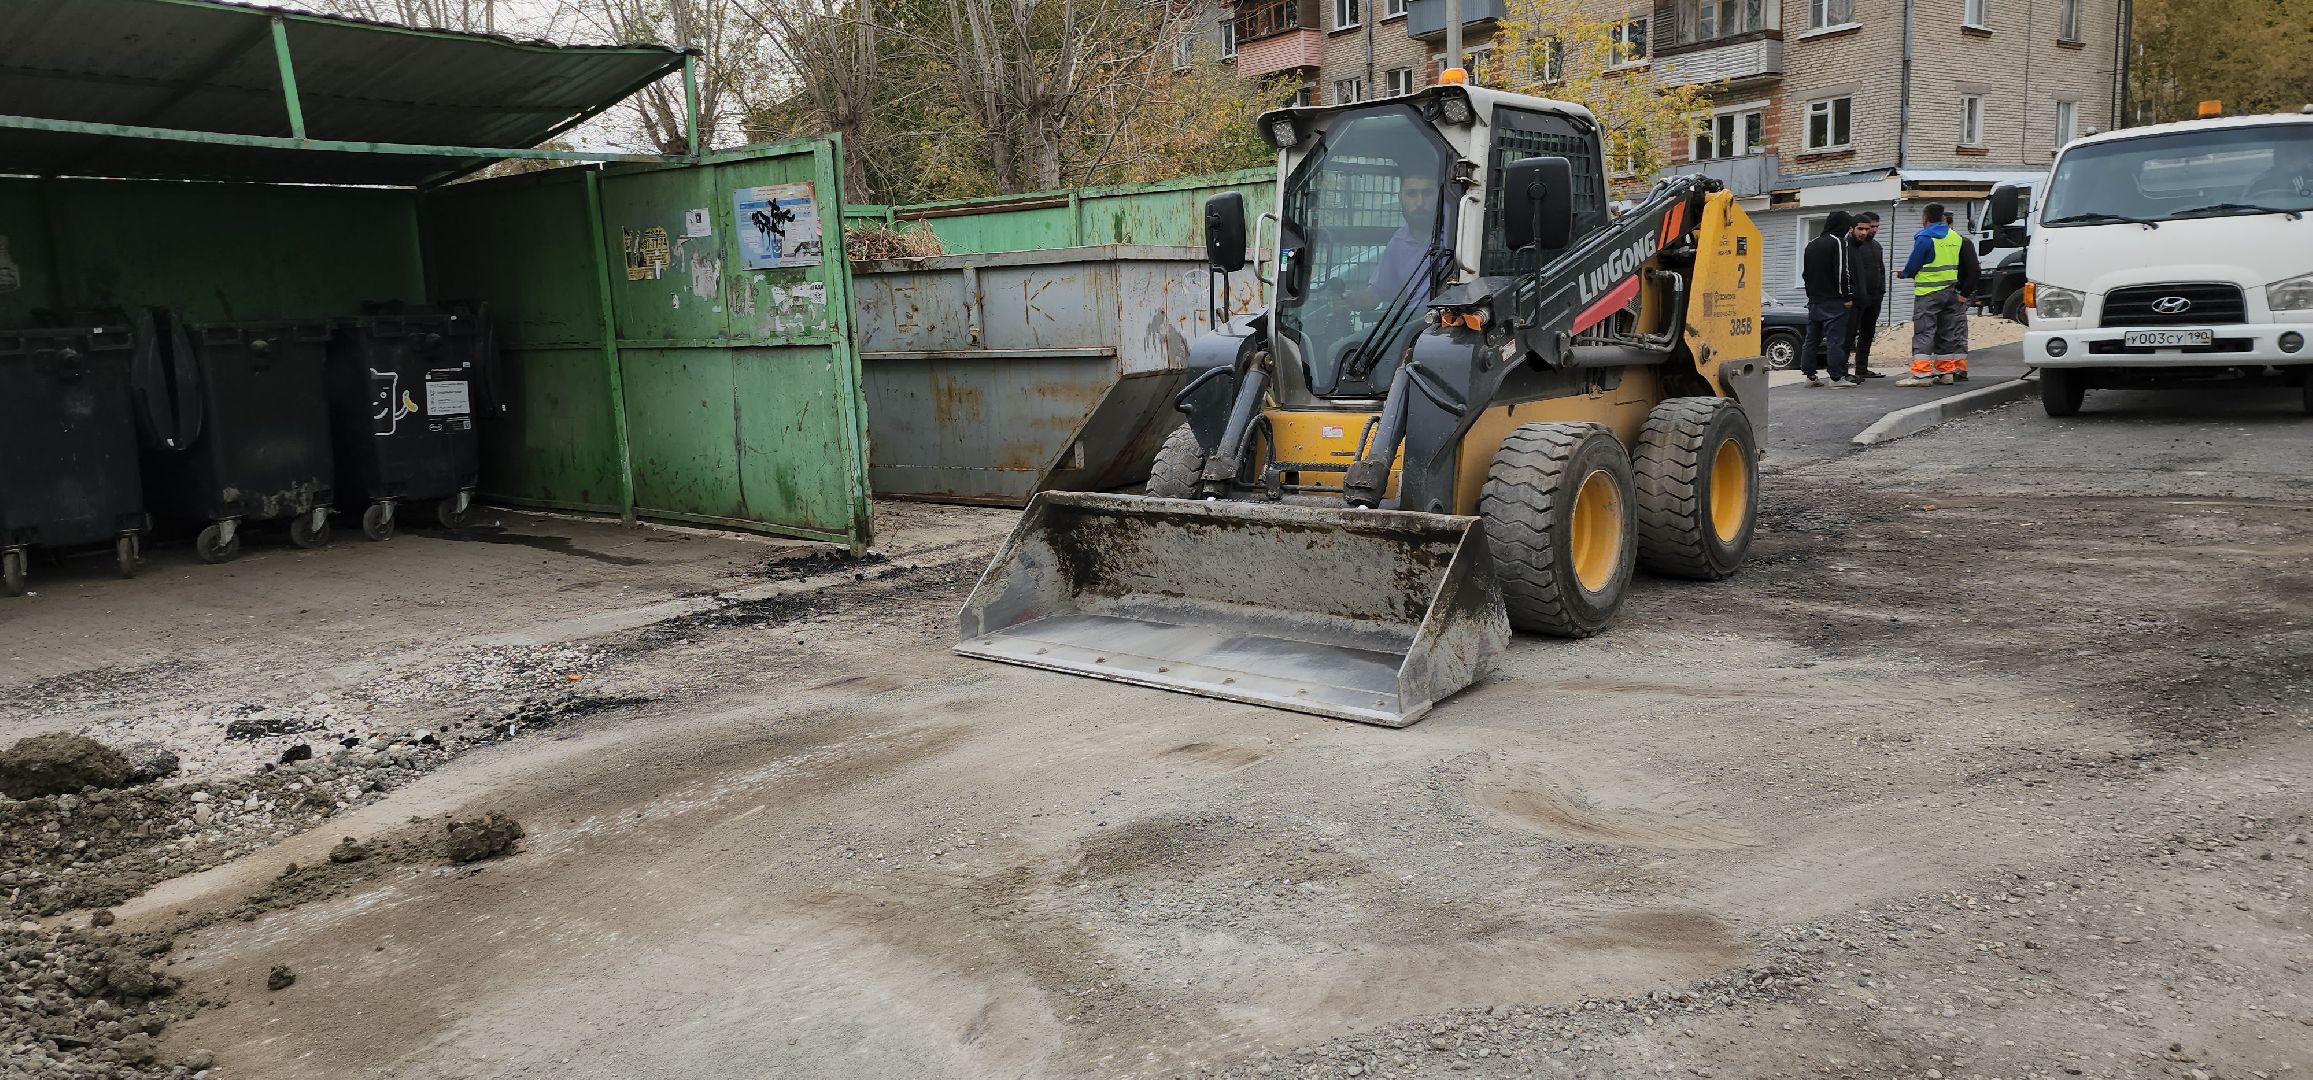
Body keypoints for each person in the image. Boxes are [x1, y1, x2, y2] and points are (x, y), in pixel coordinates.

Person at [1896, 203, 1980, 385]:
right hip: (1950, 291)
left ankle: (1922, 374)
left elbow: (1913, 265)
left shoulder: (1925, 237)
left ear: (1924, 218)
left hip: (1928, 292)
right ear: (1943, 217)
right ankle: (1946, 372)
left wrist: (1904, 273)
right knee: (1947, 332)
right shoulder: (1955, 238)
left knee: (1924, 332)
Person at [1363, 173, 1447, 309]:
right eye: (1411, 194)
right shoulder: (1399, 241)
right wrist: (1351, 300)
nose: (1420, 202)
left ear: (1440, 196)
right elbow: (1378, 292)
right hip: (1414, 324)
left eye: (1428, 193)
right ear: (1400, 197)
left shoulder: (1458, 234)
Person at [1799, 210, 1858, 387]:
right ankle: (1836, 377)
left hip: (1814, 300)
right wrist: (1847, 296)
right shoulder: (1838, 243)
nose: (1848, 231)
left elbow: (1805, 274)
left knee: (1812, 339)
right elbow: (1842, 271)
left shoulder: (1812, 244)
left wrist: (1811, 295)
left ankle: (1810, 376)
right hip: (1833, 300)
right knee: (1835, 339)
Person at [1846, 212, 1887, 378]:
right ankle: (1842, 370)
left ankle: (1861, 368)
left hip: (1875, 296)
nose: (1874, 230)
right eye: (1872, 227)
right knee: (1850, 334)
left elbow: (1881, 269)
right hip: (1858, 298)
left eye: (1876, 227)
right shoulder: (1854, 246)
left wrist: (1881, 290)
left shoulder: (1877, 246)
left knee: (1868, 333)